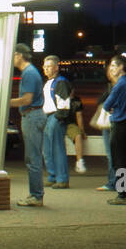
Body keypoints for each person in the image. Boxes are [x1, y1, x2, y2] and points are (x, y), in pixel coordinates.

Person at [10, 44, 46, 207]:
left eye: (13, 55)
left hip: (32, 115)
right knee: (33, 157)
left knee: (33, 158)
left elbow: (27, 100)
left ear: (19, 55)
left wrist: (6, 102)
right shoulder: (30, 72)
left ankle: (36, 195)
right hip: (32, 115)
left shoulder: (29, 73)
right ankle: (36, 194)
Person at [101, 53, 126, 205]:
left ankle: (123, 194)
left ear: (121, 67)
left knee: (119, 160)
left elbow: (107, 104)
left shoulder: (120, 84)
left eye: (114, 65)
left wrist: (113, 108)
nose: (111, 68)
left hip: (119, 124)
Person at [41, 56, 75, 189]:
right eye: (45, 66)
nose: (46, 69)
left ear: (56, 67)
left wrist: (59, 118)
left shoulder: (60, 82)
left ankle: (61, 178)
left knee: (56, 149)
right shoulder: (50, 82)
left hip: (55, 117)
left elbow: (64, 104)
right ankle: (53, 176)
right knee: (48, 150)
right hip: (48, 117)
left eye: (49, 66)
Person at [94, 63, 116, 192]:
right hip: (117, 123)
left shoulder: (120, 85)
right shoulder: (116, 85)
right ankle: (122, 187)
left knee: (115, 155)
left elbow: (106, 103)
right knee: (117, 155)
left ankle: (118, 186)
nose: (110, 72)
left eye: (113, 68)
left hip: (116, 123)